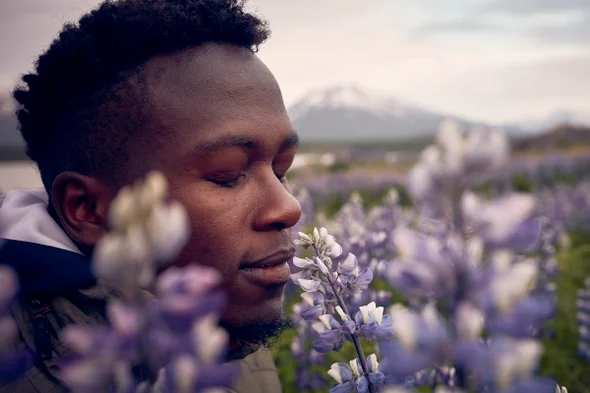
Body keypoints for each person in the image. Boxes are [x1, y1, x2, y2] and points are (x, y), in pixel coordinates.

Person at [0, 0, 302, 392]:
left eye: (282, 170)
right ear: (88, 209)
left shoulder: (228, 321)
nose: (289, 207)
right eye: (227, 175)